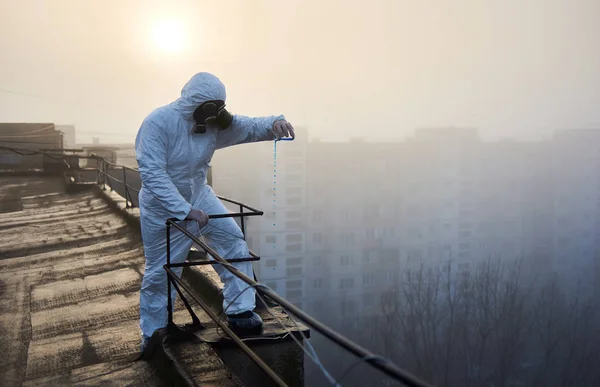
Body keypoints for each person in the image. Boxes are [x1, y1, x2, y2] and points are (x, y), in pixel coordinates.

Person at [135, 72, 295, 351]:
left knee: (232, 239)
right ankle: (155, 331)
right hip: (163, 208)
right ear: (197, 105)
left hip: (198, 194)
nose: (213, 118)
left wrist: (274, 123)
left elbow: (247, 127)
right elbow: (152, 173)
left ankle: (240, 309)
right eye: (210, 110)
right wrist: (184, 210)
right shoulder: (158, 123)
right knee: (160, 271)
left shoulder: (212, 125)